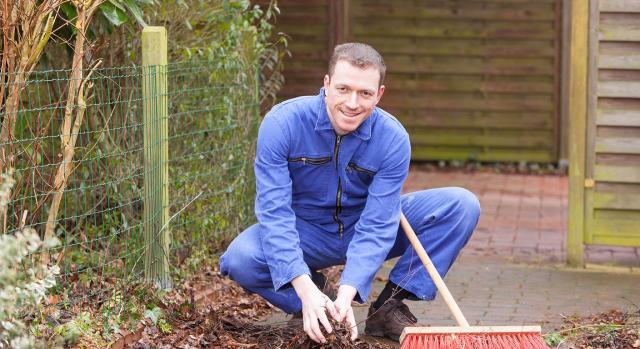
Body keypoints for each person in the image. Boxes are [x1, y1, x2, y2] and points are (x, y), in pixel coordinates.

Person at [220, 43, 480, 343]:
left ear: (379, 94)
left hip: (363, 224)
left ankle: (388, 308)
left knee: (461, 205)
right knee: (241, 258)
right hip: (306, 231)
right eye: (343, 89)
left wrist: (349, 291)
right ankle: (318, 304)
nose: (353, 103)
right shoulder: (282, 124)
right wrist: (306, 290)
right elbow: (274, 214)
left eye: (365, 94)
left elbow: (378, 223)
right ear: (326, 84)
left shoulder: (393, 138)